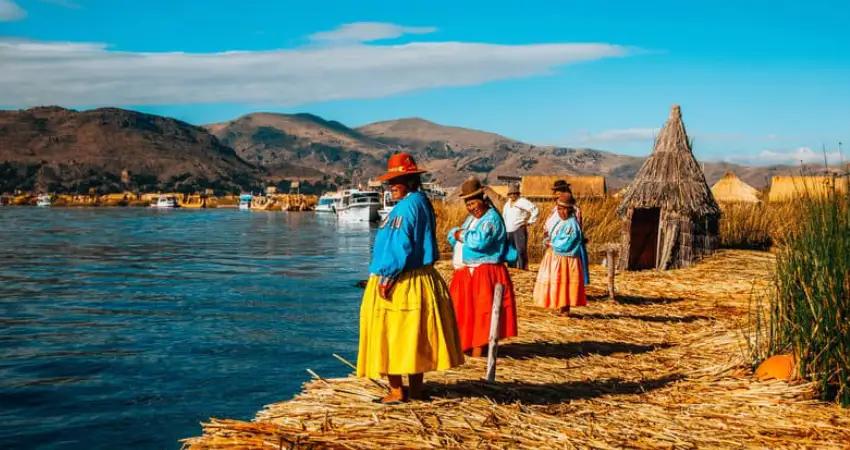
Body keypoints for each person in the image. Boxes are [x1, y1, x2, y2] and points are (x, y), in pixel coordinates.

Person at [357, 153, 464, 404]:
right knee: (414, 335)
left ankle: (396, 392)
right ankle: (416, 390)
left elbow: (400, 244)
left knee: (390, 333)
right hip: (421, 277)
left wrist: (389, 276)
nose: (390, 186)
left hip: (401, 279)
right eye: (390, 181)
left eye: (396, 180)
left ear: (410, 179)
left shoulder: (405, 207)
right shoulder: (421, 201)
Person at [448, 177, 518, 357]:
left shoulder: (491, 219)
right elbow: (454, 235)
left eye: (473, 203)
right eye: (468, 204)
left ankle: (479, 353)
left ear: (482, 199)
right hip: (472, 272)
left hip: (486, 272)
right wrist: (458, 234)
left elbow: (478, 241)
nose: (471, 207)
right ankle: (469, 348)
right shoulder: (473, 219)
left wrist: (459, 234)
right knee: (468, 312)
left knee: (482, 313)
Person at [533, 193, 589, 316]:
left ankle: (565, 311)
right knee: (558, 283)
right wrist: (548, 241)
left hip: (566, 260)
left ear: (568, 210)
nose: (559, 212)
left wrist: (551, 244)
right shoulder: (561, 222)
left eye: (562, 209)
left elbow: (566, 243)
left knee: (564, 283)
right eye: (558, 209)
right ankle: (561, 308)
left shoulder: (571, 224)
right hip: (557, 258)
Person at [502, 184, 539, 270]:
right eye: (511, 194)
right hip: (508, 231)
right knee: (511, 250)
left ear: (518, 194)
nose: (513, 195)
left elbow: (535, 209)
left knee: (521, 250)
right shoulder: (507, 204)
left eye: (515, 193)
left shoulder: (522, 201)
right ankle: (512, 268)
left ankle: (523, 268)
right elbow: (504, 216)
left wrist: (530, 221)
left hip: (519, 229)